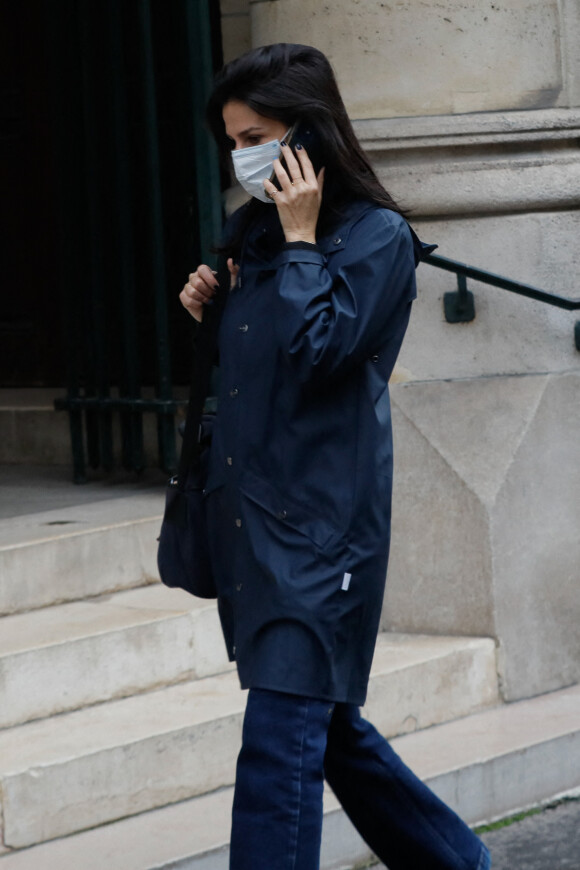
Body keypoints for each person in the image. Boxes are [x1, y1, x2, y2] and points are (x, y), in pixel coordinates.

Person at [180, 43, 490, 870]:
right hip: (253, 526)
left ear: (307, 133)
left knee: (279, 748)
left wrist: (303, 239)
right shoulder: (256, 239)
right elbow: (263, 379)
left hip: (322, 536)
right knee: (327, 728)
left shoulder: (376, 239)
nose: (244, 154)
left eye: (257, 134)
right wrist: (215, 308)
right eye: (232, 138)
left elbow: (323, 354)